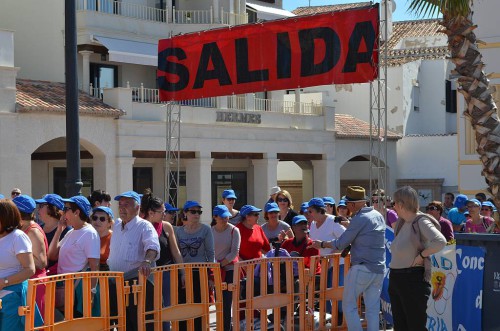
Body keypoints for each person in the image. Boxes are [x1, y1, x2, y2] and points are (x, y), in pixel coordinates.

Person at [312, 186, 386, 331]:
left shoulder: (360, 218)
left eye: (347, 204)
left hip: (362, 268)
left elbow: (340, 243)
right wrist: (349, 224)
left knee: (348, 305)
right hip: (378, 269)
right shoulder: (377, 215)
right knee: (372, 310)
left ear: (353, 204)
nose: (346, 206)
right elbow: (365, 231)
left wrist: (321, 244)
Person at [389, 186, 446, 331]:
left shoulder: (421, 221)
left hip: (412, 279)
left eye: (394, 203)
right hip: (397, 279)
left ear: (401, 204)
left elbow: (440, 241)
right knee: (401, 325)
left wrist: (422, 255)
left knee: (415, 325)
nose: (393, 206)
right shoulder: (402, 223)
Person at [108, 191, 160, 331]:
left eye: (127, 205)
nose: (122, 208)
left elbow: (153, 247)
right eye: (120, 205)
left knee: (139, 324)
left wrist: (147, 262)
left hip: (136, 283)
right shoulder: (117, 225)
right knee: (122, 325)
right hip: (116, 284)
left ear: (137, 208)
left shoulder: (145, 226)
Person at [48, 196, 101, 314]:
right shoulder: (71, 232)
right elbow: (52, 255)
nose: (63, 212)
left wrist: (91, 293)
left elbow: (94, 266)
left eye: (66, 209)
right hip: (65, 288)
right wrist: (59, 230)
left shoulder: (89, 233)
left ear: (77, 212)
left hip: (78, 290)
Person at [140, 190, 183, 331]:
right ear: (151, 212)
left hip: (166, 274)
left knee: (165, 311)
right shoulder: (140, 227)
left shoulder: (167, 227)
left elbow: (176, 252)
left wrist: (182, 273)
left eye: (165, 211)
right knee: (147, 311)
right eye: (162, 211)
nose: (165, 214)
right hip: (146, 275)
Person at [175, 200, 215, 331]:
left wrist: (211, 276)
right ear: (185, 213)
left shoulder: (206, 229)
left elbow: (210, 253)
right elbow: (177, 254)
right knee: (183, 305)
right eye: (193, 211)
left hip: (201, 272)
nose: (196, 214)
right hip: (184, 273)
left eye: (199, 212)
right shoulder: (179, 231)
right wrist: (182, 273)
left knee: (200, 306)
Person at [0, 200, 39, 329]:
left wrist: (4, 282)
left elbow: (30, 269)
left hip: (12, 296)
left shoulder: (18, 237)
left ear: (5, 218)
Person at [308, 197, 346, 315]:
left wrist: (333, 252)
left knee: (337, 294)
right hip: (324, 264)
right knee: (325, 294)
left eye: (311, 211)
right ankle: (329, 321)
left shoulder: (333, 221)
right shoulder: (313, 224)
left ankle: (341, 322)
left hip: (339, 263)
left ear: (320, 211)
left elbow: (347, 239)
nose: (309, 214)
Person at [13, 194, 48, 317]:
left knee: (33, 323)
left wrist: (19, 254)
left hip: (35, 284)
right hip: (28, 282)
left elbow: (42, 262)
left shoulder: (33, 231)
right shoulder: (23, 228)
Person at [211, 205, 241, 331]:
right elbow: (209, 250)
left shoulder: (234, 230)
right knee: (218, 300)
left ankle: (226, 327)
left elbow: (234, 251)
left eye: (227, 216)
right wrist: (214, 265)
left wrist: (221, 264)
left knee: (227, 301)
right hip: (215, 270)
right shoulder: (210, 230)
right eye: (222, 217)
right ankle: (220, 326)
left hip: (229, 269)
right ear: (215, 217)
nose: (225, 219)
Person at [35, 193, 70, 275]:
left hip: (57, 280)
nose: (38, 209)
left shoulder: (67, 231)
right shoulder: (37, 229)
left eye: (41, 206)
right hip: (40, 278)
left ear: (52, 208)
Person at [90, 206, 114, 271]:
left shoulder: (114, 238)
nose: (97, 221)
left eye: (102, 219)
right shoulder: (88, 236)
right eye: (95, 218)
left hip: (107, 277)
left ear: (110, 223)